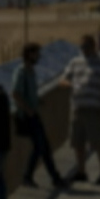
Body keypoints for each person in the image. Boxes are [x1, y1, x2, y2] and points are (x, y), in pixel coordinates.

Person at [65, 35, 100, 184]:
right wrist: (69, 84)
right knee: (78, 142)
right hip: (77, 108)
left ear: (93, 46)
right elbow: (64, 79)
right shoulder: (75, 62)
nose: (84, 50)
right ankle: (81, 171)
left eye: (86, 47)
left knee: (98, 143)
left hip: (95, 109)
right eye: (81, 47)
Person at [12, 43, 66, 189]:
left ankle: (27, 176)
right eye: (36, 54)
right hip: (27, 116)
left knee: (39, 147)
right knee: (43, 147)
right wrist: (28, 109)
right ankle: (55, 177)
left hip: (33, 113)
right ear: (29, 54)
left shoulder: (31, 71)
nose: (38, 57)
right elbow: (15, 94)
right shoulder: (21, 72)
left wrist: (36, 101)